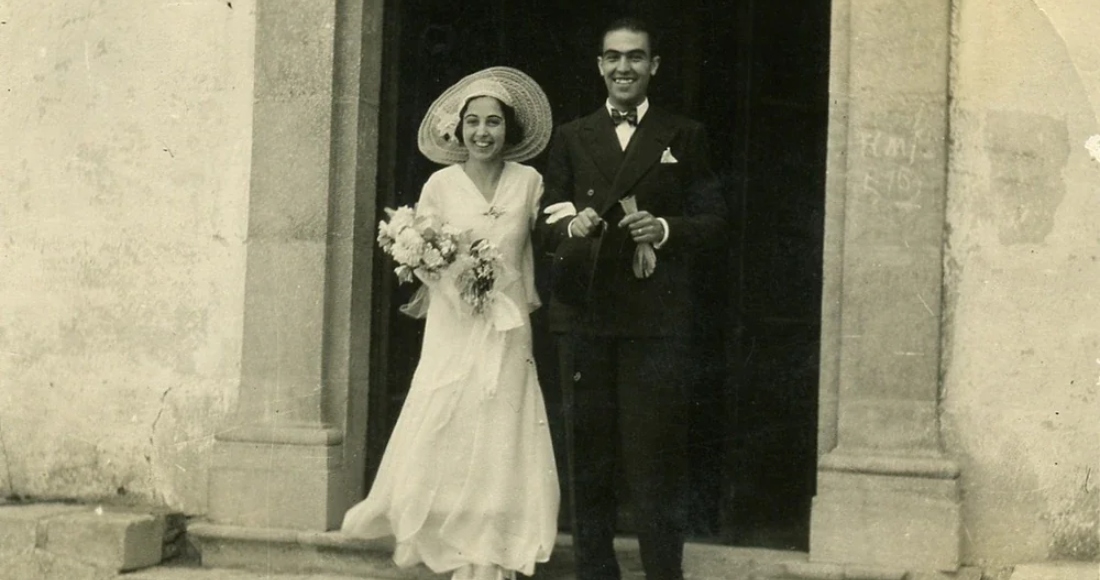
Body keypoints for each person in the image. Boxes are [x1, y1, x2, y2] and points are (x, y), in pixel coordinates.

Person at [341, 67, 560, 580]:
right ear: (458, 130)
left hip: (506, 326)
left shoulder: (529, 183)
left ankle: (490, 544)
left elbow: (539, 249)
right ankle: (446, 535)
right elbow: (423, 256)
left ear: (510, 130)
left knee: (501, 423)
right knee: (451, 416)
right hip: (454, 323)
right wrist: (457, 281)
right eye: (473, 123)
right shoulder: (439, 183)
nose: (483, 133)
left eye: (494, 123)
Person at [536, 17, 727, 580]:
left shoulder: (683, 134)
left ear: (654, 66)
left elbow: (714, 219)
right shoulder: (573, 136)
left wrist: (665, 230)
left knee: (655, 461)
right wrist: (574, 225)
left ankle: (664, 573)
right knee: (589, 459)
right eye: (614, 57)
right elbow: (545, 219)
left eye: (636, 58)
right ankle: (596, 573)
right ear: (599, 65)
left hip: (655, 321)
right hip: (586, 316)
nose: (624, 68)